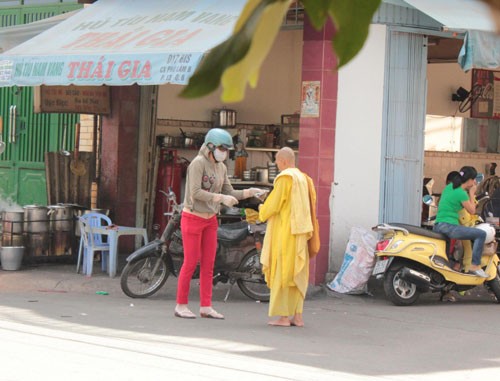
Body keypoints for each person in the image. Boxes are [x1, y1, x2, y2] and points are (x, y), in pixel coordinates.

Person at [174, 128, 264, 319]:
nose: (225, 152)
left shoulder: (221, 168)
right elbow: (195, 193)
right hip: (193, 217)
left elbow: (230, 192)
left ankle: (206, 306)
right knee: (190, 262)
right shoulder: (198, 164)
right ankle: (181, 305)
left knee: (209, 264)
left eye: (226, 149)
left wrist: (249, 192)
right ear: (211, 146)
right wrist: (220, 197)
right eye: (222, 148)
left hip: (210, 220)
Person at [258, 147, 319, 327]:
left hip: (286, 233)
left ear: (284, 161)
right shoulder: (304, 178)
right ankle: (298, 317)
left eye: (277, 161)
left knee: (283, 273)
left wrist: (261, 211)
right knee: (297, 273)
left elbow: (274, 205)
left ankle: (284, 317)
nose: (276, 165)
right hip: (301, 233)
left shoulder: (286, 178)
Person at [433, 166, 488, 278]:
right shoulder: (461, 193)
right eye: (474, 180)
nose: (474, 182)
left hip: (438, 225)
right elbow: (472, 211)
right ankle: (475, 266)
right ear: (470, 180)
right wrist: (472, 193)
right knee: (481, 234)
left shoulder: (449, 187)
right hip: (449, 226)